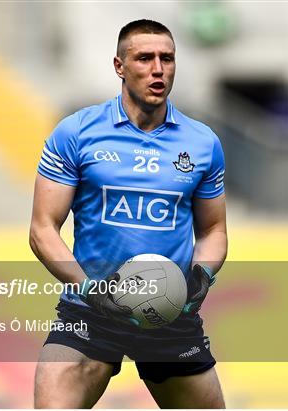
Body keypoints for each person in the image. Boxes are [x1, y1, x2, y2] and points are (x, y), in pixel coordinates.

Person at [29, 19, 227, 409]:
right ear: (120, 66)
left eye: (167, 58)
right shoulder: (76, 133)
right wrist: (91, 289)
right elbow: (42, 230)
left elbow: (214, 230)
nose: (158, 68)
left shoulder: (203, 143)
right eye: (145, 58)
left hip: (169, 312)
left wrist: (201, 277)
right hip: (91, 310)